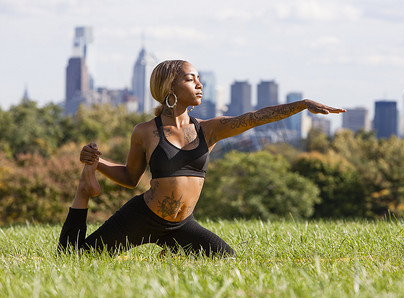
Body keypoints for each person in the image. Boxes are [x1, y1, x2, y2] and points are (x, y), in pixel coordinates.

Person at [58, 60, 345, 257]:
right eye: (190, 78)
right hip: (143, 218)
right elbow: (131, 178)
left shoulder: (209, 129)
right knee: (75, 257)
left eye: (199, 78)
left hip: (182, 225)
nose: (199, 84)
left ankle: (170, 254)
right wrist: (98, 164)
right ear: (171, 86)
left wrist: (303, 104)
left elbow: (254, 118)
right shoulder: (145, 131)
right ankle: (83, 191)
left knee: (226, 260)